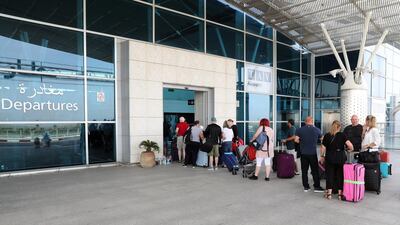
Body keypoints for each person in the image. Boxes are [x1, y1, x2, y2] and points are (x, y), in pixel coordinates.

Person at [320, 120, 354, 200]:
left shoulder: (327, 135)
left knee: (329, 175)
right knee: (340, 175)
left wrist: (322, 156)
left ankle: (329, 194)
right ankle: (340, 194)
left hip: (330, 157)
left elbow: (323, 147)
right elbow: (350, 145)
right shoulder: (342, 135)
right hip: (340, 157)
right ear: (339, 127)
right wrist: (350, 149)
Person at [295, 116, 324, 193]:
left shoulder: (299, 130)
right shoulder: (317, 130)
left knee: (304, 171)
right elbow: (322, 140)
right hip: (312, 153)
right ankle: (317, 187)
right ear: (312, 121)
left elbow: (296, 140)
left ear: (305, 122)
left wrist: (302, 143)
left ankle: (306, 187)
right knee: (315, 170)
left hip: (303, 153)